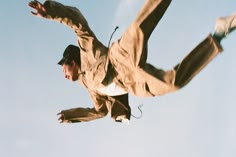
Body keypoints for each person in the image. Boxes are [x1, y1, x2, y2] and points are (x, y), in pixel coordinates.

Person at [28, 0, 236, 124]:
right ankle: (218, 34)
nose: (64, 74)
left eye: (63, 69)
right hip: (132, 82)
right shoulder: (89, 86)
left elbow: (77, 21)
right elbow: (99, 111)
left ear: (71, 61)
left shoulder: (85, 48)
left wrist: (51, 11)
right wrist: (73, 116)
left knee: (140, 26)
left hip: (120, 58)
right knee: (173, 83)